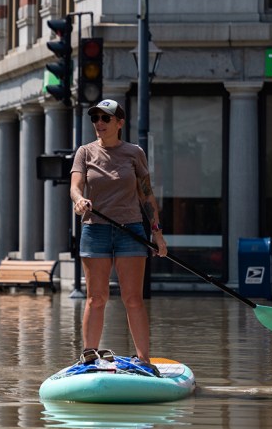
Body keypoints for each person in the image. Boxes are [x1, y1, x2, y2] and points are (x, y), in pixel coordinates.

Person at [69, 99, 168, 375]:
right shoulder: (84, 153)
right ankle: (89, 358)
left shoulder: (134, 153)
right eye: (96, 118)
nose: (99, 123)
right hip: (95, 229)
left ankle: (144, 361)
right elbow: (75, 187)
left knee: (133, 299)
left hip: (131, 231)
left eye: (106, 118)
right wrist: (79, 200)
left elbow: (146, 195)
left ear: (120, 123)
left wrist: (157, 234)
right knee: (95, 298)